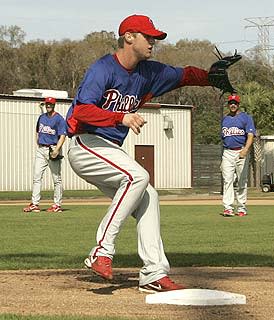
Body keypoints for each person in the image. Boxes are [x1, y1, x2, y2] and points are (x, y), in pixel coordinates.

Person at [66, 14, 215, 293]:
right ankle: (102, 250)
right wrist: (120, 117)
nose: (153, 42)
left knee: (149, 197)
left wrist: (211, 78)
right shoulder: (103, 69)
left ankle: (153, 274)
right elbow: (82, 110)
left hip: (109, 149)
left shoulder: (149, 72)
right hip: (85, 143)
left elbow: (183, 75)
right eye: (149, 37)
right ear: (129, 37)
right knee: (138, 176)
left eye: (155, 38)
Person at [23, 97, 67, 213]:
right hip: (42, 149)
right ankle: (35, 204)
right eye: (47, 104)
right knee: (37, 177)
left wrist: (57, 149)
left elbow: (63, 135)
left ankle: (57, 205)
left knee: (56, 178)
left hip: (53, 149)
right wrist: (37, 141)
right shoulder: (41, 117)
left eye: (50, 104)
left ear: (54, 105)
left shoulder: (59, 119)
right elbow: (37, 130)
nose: (48, 106)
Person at [221, 94, 256, 217]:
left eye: (235, 103)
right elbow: (223, 138)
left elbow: (251, 135)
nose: (233, 105)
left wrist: (246, 149)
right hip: (227, 152)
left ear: (238, 104)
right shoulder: (224, 119)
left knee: (242, 180)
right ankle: (228, 208)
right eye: (231, 103)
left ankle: (241, 207)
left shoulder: (246, 118)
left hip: (241, 151)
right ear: (228, 104)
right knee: (227, 180)